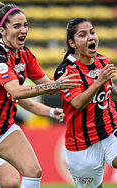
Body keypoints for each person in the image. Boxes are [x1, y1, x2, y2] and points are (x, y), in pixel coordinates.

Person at [0, 2, 82, 188]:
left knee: (32, 172)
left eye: (26, 25)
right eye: (17, 26)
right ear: (3, 31)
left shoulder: (25, 55)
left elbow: (50, 86)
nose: (23, 30)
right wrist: (55, 85)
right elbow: (15, 90)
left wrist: (82, 79)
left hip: (4, 129)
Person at [54, 17, 117, 188]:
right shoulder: (65, 71)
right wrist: (98, 82)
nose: (90, 37)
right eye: (83, 35)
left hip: (110, 130)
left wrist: (106, 84)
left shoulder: (102, 61)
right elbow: (77, 103)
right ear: (72, 43)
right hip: (82, 143)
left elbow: (111, 90)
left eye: (92, 32)